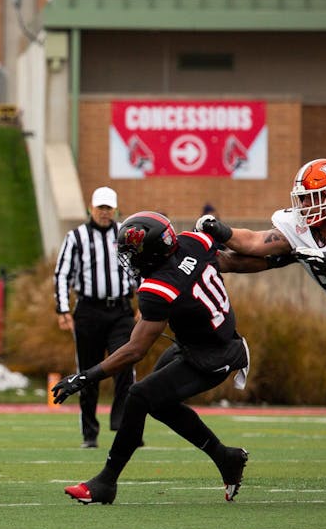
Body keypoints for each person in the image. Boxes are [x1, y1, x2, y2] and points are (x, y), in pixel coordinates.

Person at [197, 158, 326, 505]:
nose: (307, 206)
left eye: (315, 197)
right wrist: (221, 233)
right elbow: (254, 245)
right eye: (304, 198)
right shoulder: (298, 227)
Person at [52, 211, 258, 504]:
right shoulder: (192, 242)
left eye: (132, 253)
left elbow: (135, 350)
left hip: (213, 357)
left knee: (139, 396)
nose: (129, 259)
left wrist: (85, 377)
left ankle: (106, 482)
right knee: (158, 404)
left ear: (150, 253)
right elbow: (233, 262)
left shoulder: (158, 288)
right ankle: (226, 458)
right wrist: (282, 257)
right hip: (202, 343)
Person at [53, 186, 137, 448]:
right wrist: (63, 309)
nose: (104, 213)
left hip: (121, 309)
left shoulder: (126, 233)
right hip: (88, 310)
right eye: (100, 208)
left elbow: (143, 267)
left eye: (108, 208)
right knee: (87, 372)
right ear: (91, 208)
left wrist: (146, 304)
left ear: (115, 209)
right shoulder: (76, 237)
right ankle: (90, 433)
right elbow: (62, 274)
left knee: (125, 363)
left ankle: (122, 424)